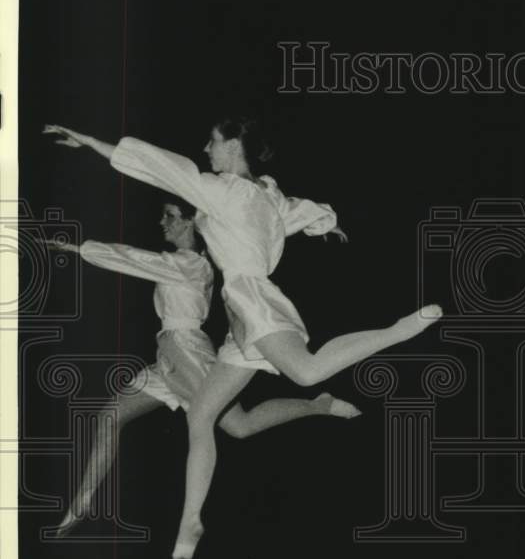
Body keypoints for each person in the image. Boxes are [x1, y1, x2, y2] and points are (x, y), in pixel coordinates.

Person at [44, 120, 442, 559]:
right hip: (238, 317)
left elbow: (162, 168)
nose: (205, 148)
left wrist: (92, 142)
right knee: (203, 416)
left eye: (212, 142)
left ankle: (397, 331)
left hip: (252, 300)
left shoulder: (227, 191)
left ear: (234, 146)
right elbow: (297, 210)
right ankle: (190, 523)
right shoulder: (264, 196)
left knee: (306, 371)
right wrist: (324, 223)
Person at [44, 198, 361, 538]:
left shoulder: (192, 264)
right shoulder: (184, 262)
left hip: (188, 352)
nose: (162, 222)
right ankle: (83, 502)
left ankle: (319, 405)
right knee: (109, 416)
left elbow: (133, 259)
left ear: (190, 222)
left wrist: (75, 247)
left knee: (240, 426)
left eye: (170, 216)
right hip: (168, 355)